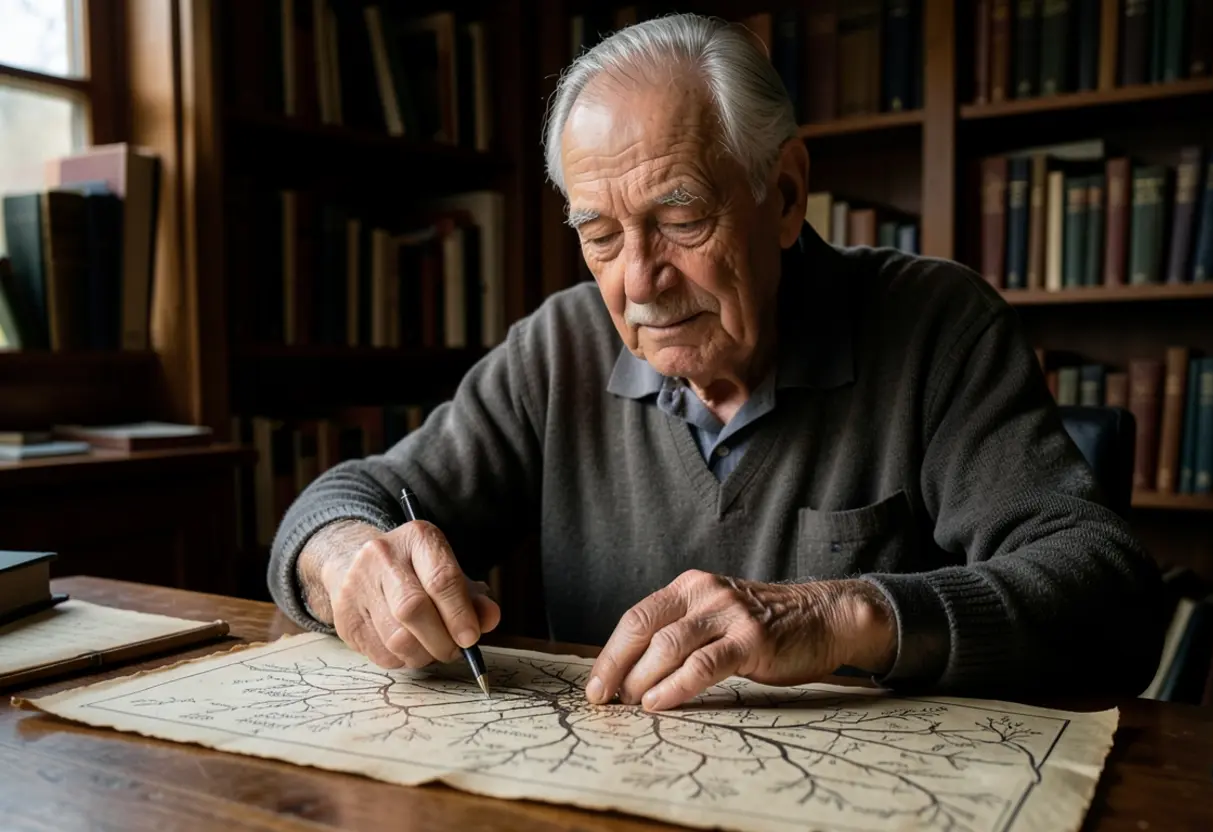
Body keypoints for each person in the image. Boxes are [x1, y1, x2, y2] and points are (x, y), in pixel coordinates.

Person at [269, 13, 1164, 711]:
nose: (640, 281)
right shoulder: (558, 347)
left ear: (785, 194)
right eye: (600, 236)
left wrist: (843, 615)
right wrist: (347, 559)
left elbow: (1107, 595)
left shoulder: (934, 324)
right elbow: (344, 499)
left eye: (682, 219)